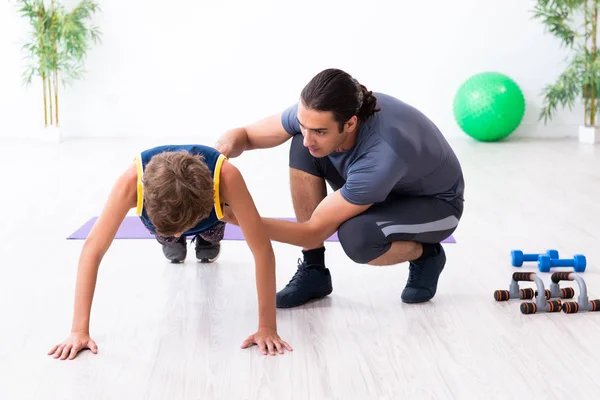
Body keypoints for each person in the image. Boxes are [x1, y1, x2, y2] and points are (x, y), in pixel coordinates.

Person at [216, 68, 465, 308]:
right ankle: (314, 271)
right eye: (304, 125)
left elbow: (312, 232)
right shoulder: (319, 113)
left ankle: (426, 254)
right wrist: (218, 155)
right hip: (382, 186)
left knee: (358, 239)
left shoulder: (381, 155)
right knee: (304, 148)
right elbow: (245, 135)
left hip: (435, 206)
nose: (308, 136)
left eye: (320, 131)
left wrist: (235, 217)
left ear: (350, 123)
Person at [48, 144, 292, 360]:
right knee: (169, 237)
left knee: (211, 233)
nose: (179, 234)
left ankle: (205, 237)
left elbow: (261, 250)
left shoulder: (227, 177)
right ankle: (168, 238)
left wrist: (267, 327)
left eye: (182, 230)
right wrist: (78, 331)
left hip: (211, 216)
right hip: (166, 219)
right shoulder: (131, 183)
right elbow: (93, 250)